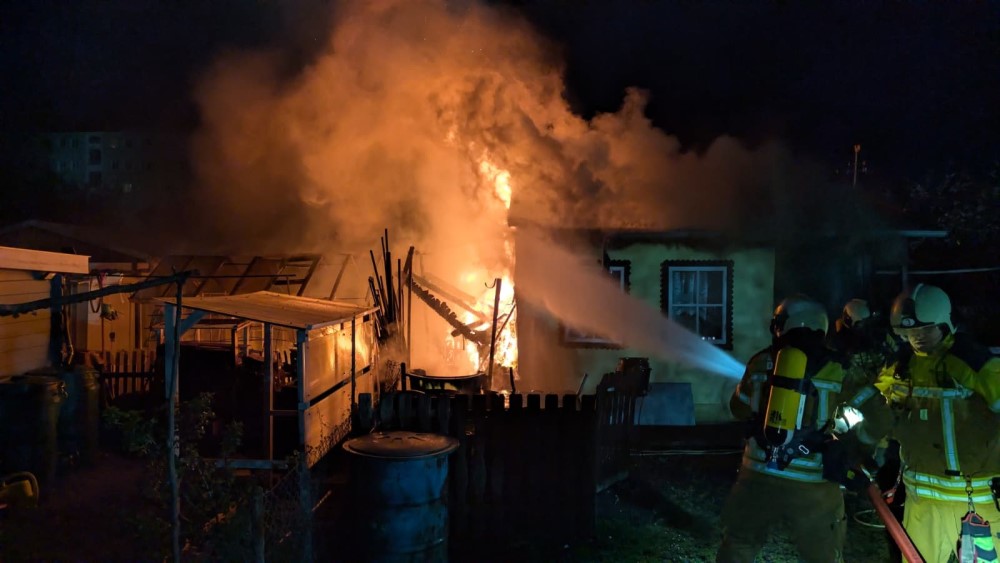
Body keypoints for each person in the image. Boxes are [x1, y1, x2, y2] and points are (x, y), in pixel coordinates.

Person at [854, 284, 1000, 563]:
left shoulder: (975, 364)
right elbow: (872, 406)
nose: (918, 338)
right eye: (910, 332)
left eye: (925, 330)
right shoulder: (900, 368)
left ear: (945, 324)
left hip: (978, 500)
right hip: (921, 501)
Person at [717, 295, 850, 563]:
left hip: (757, 475)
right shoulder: (839, 368)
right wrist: (858, 445)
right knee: (821, 555)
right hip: (812, 484)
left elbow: (738, 408)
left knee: (740, 545)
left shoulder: (760, 362)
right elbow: (876, 416)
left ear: (782, 325)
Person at [828, 297, 907, 562]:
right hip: (854, 402)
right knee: (848, 443)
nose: (865, 330)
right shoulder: (837, 343)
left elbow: (893, 361)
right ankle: (846, 483)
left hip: (878, 400)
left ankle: (877, 478)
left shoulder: (880, 338)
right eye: (860, 326)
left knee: (882, 440)